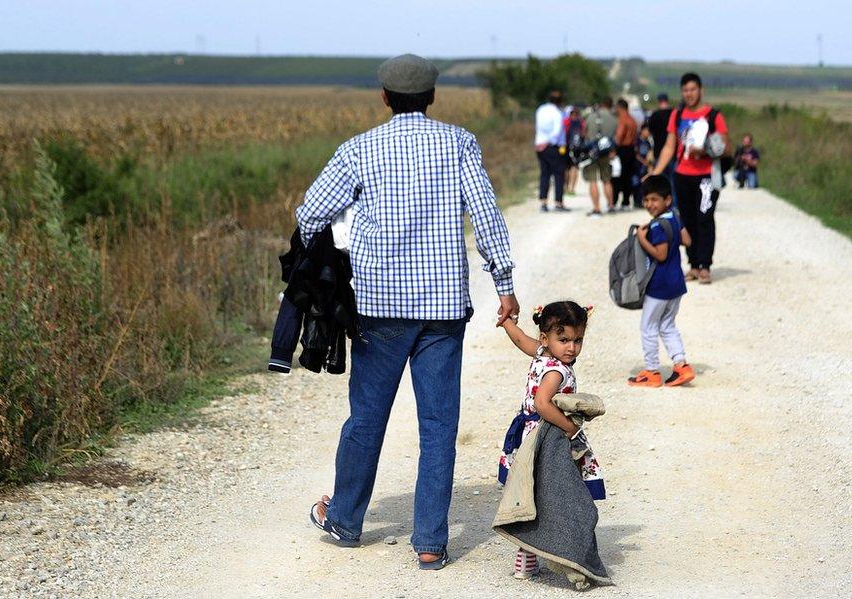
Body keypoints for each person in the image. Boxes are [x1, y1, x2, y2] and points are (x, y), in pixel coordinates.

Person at [298, 54, 520, 571]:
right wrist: (504, 283)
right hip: (443, 309)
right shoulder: (459, 142)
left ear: (384, 97)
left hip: (378, 309)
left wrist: (334, 259)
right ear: (433, 96)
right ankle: (429, 543)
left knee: (367, 418)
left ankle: (346, 521)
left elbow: (311, 213)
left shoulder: (358, 150)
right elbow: (485, 215)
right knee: (439, 426)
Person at [497, 301, 605, 579]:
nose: (571, 347)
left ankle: (526, 558)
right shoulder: (557, 370)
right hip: (549, 438)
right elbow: (543, 403)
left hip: (527, 434)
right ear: (547, 338)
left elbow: (522, 341)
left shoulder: (543, 352)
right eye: (564, 339)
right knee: (556, 495)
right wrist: (570, 428)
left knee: (534, 493)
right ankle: (553, 551)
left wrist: (507, 322)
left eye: (577, 340)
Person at [650, 73, 730, 285]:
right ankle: (693, 264)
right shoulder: (676, 116)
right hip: (682, 175)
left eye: (693, 89)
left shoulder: (713, 116)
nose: (689, 94)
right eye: (685, 90)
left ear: (700, 90)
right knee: (686, 221)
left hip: (706, 177)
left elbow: (725, 147)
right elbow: (670, 146)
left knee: (704, 219)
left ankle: (705, 265)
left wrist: (703, 150)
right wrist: (656, 171)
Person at [627, 175, 696, 388]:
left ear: (667, 199)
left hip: (659, 286)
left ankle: (652, 371)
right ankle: (681, 366)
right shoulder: (673, 216)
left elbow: (661, 254)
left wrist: (641, 238)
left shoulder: (656, 227)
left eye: (654, 200)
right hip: (676, 284)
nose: (649, 204)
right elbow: (687, 240)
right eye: (646, 200)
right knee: (667, 326)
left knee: (648, 327)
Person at [534, 90, 569, 212]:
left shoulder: (541, 109)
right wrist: (550, 142)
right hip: (552, 146)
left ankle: (543, 202)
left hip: (539, 145)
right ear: (560, 101)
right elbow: (557, 132)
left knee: (545, 174)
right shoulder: (557, 113)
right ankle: (558, 202)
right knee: (559, 174)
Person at [582, 98, 617, 217]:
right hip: (606, 152)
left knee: (593, 181)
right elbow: (615, 136)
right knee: (607, 180)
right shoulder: (613, 118)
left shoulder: (591, 116)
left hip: (592, 152)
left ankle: (597, 208)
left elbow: (585, 132)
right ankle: (611, 205)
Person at [645, 92, 676, 206]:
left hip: (659, 153)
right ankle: (674, 204)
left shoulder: (655, 115)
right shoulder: (674, 113)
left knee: (661, 183)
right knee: (673, 182)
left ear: (659, 101)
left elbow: (649, 132)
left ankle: (663, 205)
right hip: (673, 152)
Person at [613, 98, 638, 210]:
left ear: (620, 108)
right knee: (628, 177)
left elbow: (619, 136)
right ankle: (626, 201)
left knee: (617, 176)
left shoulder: (622, 120)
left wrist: (614, 146)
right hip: (631, 149)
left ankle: (614, 200)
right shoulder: (633, 120)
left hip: (622, 149)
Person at [565, 107, 585, 194]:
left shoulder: (566, 121)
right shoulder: (581, 122)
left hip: (566, 146)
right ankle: (572, 189)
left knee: (566, 168)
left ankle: (566, 187)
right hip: (578, 148)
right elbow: (584, 134)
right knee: (575, 168)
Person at [633, 123, 653, 207]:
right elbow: (636, 153)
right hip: (637, 166)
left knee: (644, 184)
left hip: (645, 167)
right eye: (647, 130)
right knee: (636, 184)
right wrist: (643, 161)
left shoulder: (648, 142)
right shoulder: (637, 140)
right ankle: (636, 201)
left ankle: (642, 201)